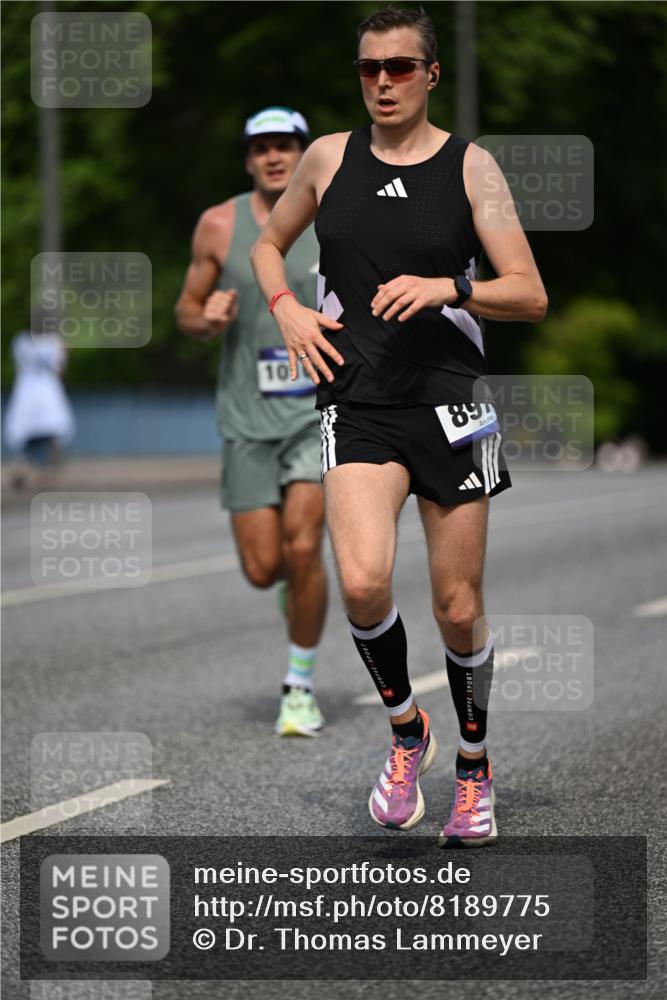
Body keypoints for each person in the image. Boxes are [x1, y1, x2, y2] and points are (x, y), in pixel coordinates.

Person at [251, 8, 547, 843]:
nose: (382, 82)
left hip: (450, 403)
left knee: (456, 608)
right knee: (365, 581)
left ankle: (473, 768)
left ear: (430, 75)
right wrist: (288, 313)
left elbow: (527, 291)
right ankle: (405, 732)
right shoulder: (327, 158)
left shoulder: (470, 167)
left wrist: (448, 288)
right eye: (368, 68)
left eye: (398, 67)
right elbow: (267, 248)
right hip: (357, 400)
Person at [175, 107, 327, 737]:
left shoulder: (334, 215)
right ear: (248, 159)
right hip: (245, 418)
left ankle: (299, 686)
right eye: (261, 148)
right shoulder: (218, 224)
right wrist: (205, 318)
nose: (273, 157)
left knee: (303, 545)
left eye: (285, 146)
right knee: (265, 568)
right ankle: (295, 590)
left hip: (318, 413)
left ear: (302, 152)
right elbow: (185, 309)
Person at [4, 327, 74, 490]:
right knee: (55, 432)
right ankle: (47, 471)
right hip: (47, 391)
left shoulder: (20, 340)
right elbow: (59, 368)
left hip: (25, 391)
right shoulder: (53, 341)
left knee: (28, 436)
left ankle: (24, 466)